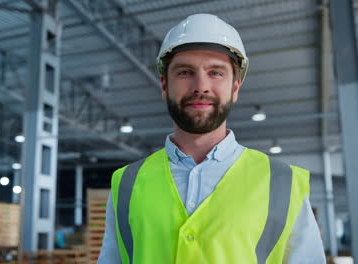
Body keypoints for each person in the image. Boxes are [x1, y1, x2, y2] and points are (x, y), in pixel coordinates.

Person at [97, 14, 325, 263]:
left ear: (235, 87)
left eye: (216, 72)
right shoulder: (127, 183)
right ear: (164, 85)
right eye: (185, 72)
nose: (200, 86)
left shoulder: (282, 183)